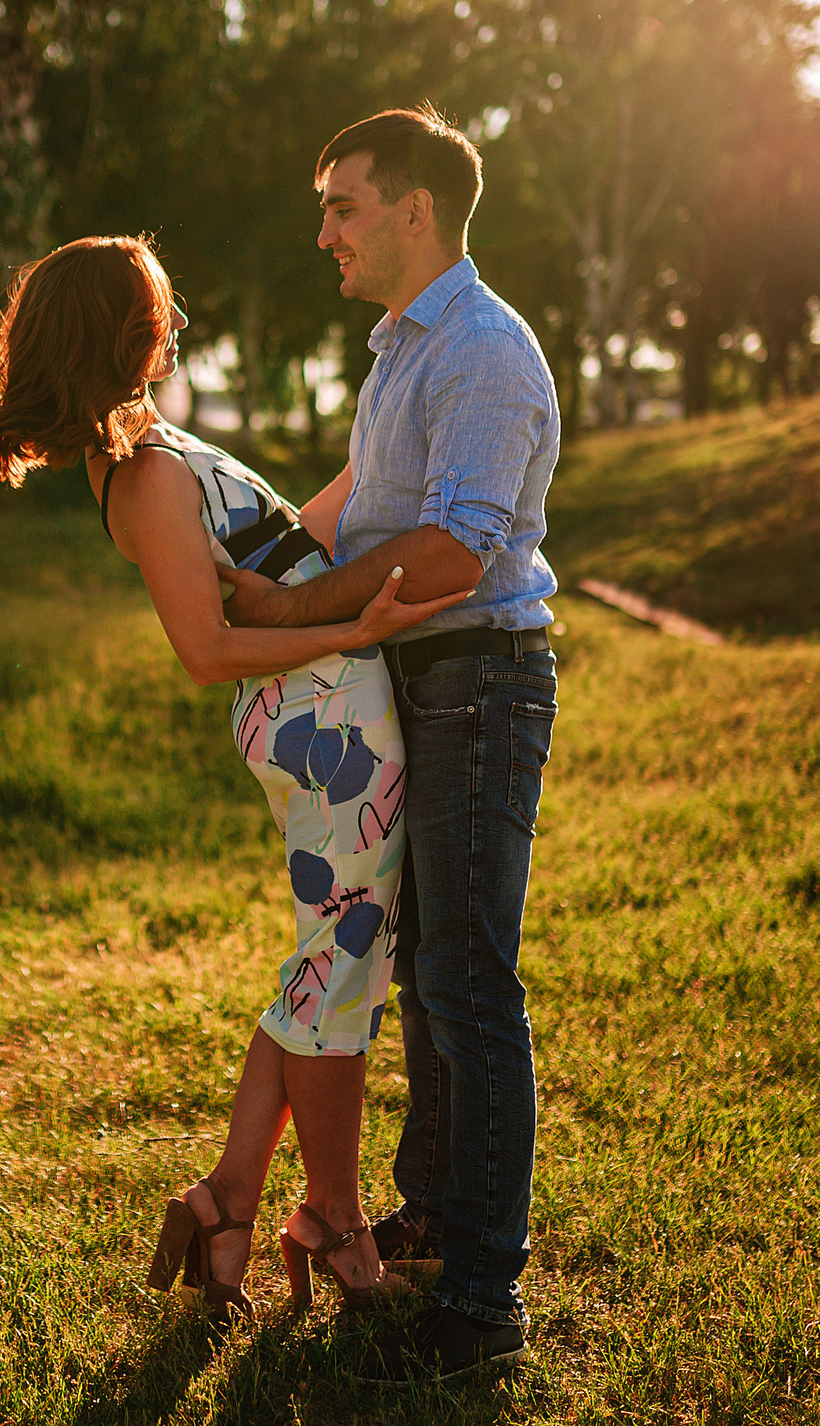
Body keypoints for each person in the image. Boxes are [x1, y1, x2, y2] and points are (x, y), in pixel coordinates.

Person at [0, 234, 471, 1323]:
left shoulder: (150, 445)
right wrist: (361, 622)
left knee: (328, 964)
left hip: (326, 709)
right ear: (113, 334)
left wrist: (387, 450)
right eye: (157, 313)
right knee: (337, 979)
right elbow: (209, 650)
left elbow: (288, 545)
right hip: (317, 724)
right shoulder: (139, 476)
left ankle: (229, 1199)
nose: (177, 327)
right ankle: (330, 1215)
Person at [219, 107, 561, 1384]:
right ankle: (429, 1222)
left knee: (468, 980)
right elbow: (358, 509)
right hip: (425, 684)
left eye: (342, 205)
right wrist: (237, 562)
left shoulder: (478, 350)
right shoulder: (401, 350)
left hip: (478, 682)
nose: (324, 233)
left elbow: (452, 551)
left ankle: (484, 1292)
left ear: (417, 209)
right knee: (427, 974)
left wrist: (288, 604)